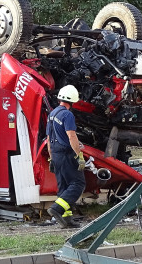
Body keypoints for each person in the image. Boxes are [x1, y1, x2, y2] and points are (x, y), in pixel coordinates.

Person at [46, 85, 85, 228]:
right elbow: (71, 136)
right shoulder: (67, 115)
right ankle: (56, 208)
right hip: (66, 154)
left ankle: (66, 219)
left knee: (63, 186)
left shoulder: (52, 114)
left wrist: (51, 157)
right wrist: (79, 155)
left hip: (55, 154)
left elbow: (49, 138)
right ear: (73, 101)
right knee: (77, 184)